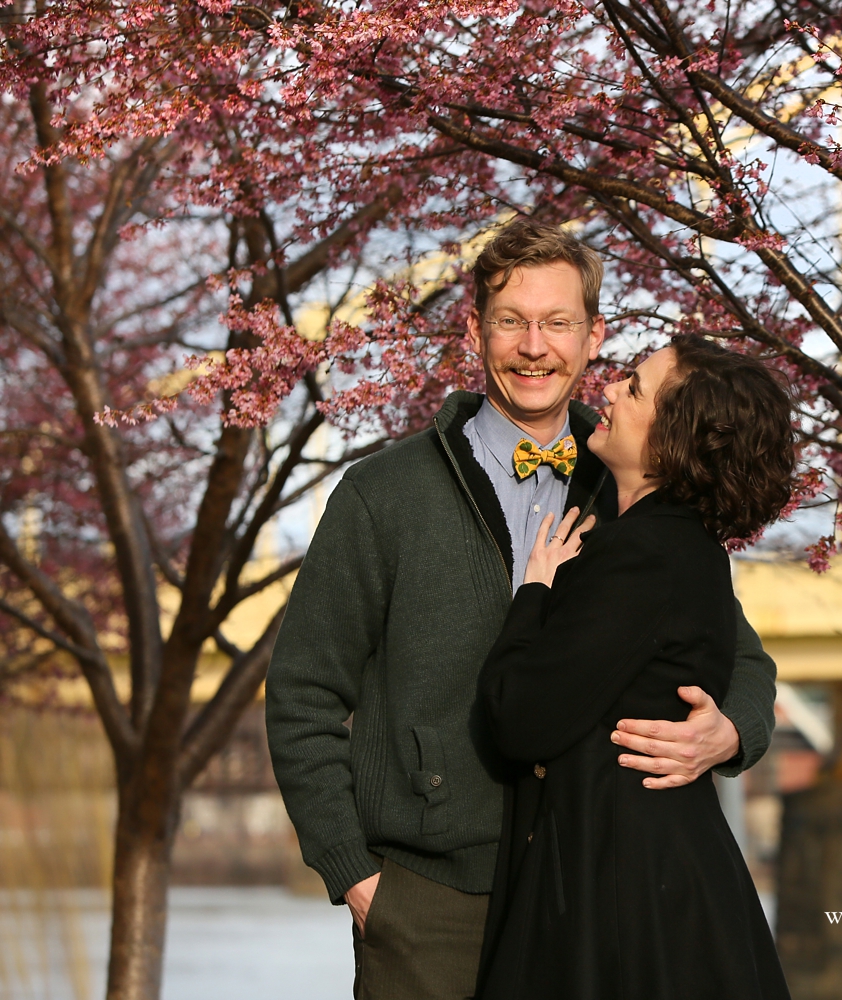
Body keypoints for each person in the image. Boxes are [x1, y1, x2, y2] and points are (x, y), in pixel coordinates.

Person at [265, 219, 779, 1000]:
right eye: (511, 321)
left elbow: (739, 657)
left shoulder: (641, 487)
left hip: (585, 892)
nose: (534, 346)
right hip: (434, 903)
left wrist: (731, 731)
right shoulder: (383, 497)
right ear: (475, 329)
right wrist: (357, 877)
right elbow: (302, 693)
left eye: (559, 323)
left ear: (594, 333)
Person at [475, 335, 796, 1000]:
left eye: (636, 388)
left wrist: (535, 591)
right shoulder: (685, 546)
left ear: (672, 436)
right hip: (656, 873)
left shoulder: (643, 553)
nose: (611, 392)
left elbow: (520, 720)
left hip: (616, 884)